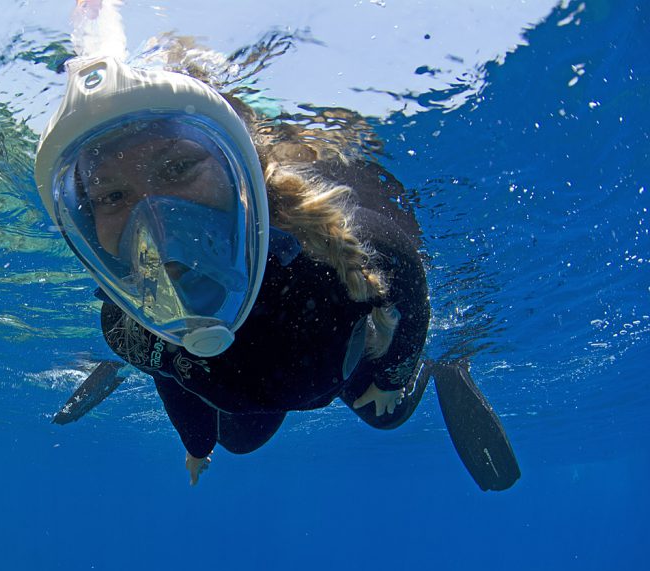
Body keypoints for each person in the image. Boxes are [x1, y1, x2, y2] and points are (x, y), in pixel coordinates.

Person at [35, 56, 518, 490]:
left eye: (179, 166)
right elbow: (168, 371)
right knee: (240, 444)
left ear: (243, 171)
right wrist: (197, 446)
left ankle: (444, 366)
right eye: (113, 197)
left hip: (345, 366)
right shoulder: (127, 326)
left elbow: (408, 280)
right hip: (258, 387)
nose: (157, 223)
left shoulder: (338, 251)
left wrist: (392, 375)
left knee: (384, 418)